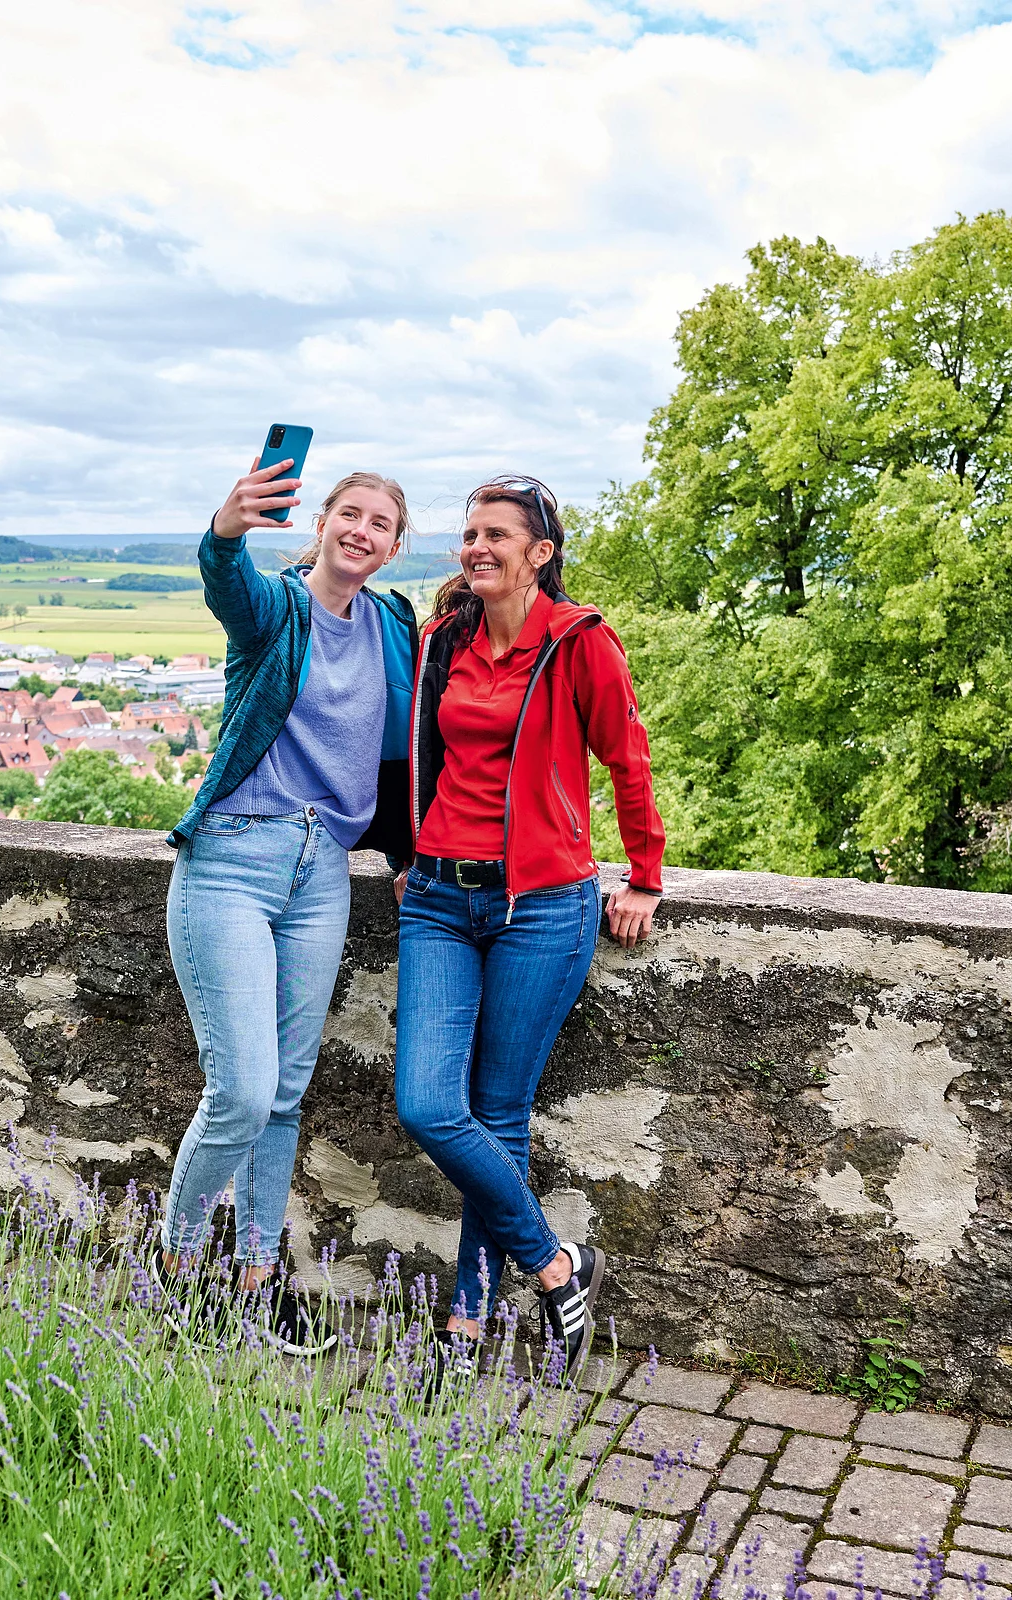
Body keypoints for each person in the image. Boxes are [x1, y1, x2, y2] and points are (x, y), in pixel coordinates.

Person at [393, 474, 663, 1375]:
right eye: (469, 533)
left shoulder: (580, 642)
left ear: (539, 553)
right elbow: (412, 756)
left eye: (496, 534)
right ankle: (556, 1261)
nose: (476, 547)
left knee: (498, 1114)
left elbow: (628, 758)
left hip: (543, 905)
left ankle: (464, 1326)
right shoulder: (441, 641)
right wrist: (409, 857)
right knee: (430, 1105)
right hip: (437, 897)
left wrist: (646, 877)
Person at [160, 455, 417, 1356]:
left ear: (392, 546)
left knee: (287, 1094)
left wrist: (410, 850)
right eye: (348, 514)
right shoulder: (279, 609)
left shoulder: (392, 624)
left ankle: (258, 1277)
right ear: (320, 524)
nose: (361, 532)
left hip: (324, 875)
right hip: (235, 859)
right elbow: (225, 582)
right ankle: (180, 1268)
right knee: (242, 1088)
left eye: (379, 523)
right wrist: (227, 526)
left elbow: (408, 745)